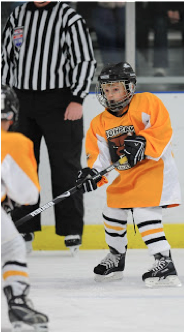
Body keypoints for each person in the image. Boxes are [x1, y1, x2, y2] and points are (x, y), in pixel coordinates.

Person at [1, 1, 97, 256]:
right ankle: (24, 226)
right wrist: (4, 96)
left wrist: (77, 98)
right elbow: (6, 57)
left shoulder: (68, 17)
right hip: (21, 100)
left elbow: (84, 59)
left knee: (65, 165)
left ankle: (71, 229)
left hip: (61, 100)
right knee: (20, 165)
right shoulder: (18, 15)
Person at [76, 62, 182, 287]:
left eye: (115, 89)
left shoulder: (147, 102)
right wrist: (92, 173)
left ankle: (164, 260)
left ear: (130, 87)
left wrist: (144, 141)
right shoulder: (99, 123)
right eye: (106, 90)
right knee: (112, 210)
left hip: (154, 170)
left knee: (144, 212)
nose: (110, 95)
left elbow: (162, 129)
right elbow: (99, 156)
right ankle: (116, 257)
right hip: (127, 176)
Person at [0, 84, 49, 332]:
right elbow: (28, 194)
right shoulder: (13, 142)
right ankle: (18, 302)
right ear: (11, 113)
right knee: (12, 246)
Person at [146, 1, 184, 77]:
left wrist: (179, 11)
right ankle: (159, 66)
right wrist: (167, 11)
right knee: (160, 23)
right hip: (160, 11)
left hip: (183, 11)